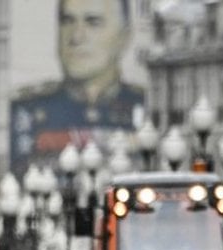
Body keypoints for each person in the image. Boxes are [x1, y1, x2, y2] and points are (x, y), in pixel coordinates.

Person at [10, 0, 145, 171]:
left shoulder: (143, 104)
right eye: (67, 21)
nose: (76, 37)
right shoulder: (28, 108)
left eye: (93, 22)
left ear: (124, 36)